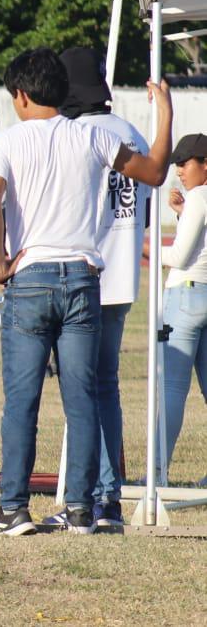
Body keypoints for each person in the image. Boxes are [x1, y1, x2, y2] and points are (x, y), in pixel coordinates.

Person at [0, 48, 171, 536]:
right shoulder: (90, 136)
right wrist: (165, 114)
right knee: (82, 398)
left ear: (21, 95)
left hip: (30, 278)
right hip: (84, 278)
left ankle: (13, 509)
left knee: (22, 400)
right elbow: (153, 173)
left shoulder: (8, 142)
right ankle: (83, 509)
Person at [53, 46, 151, 531]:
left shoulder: (80, 134)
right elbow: (144, 202)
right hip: (124, 274)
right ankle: (108, 496)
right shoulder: (131, 133)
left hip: (84, 272)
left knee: (81, 390)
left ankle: (90, 493)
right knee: (105, 387)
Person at [160, 133, 207, 483]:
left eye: (186, 162)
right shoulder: (195, 200)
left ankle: (158, 472)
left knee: (173, 389)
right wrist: (182, 213)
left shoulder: (199, 197)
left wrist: (141, 251)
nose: (179, 170)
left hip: (185, 297)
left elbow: (179, 257)